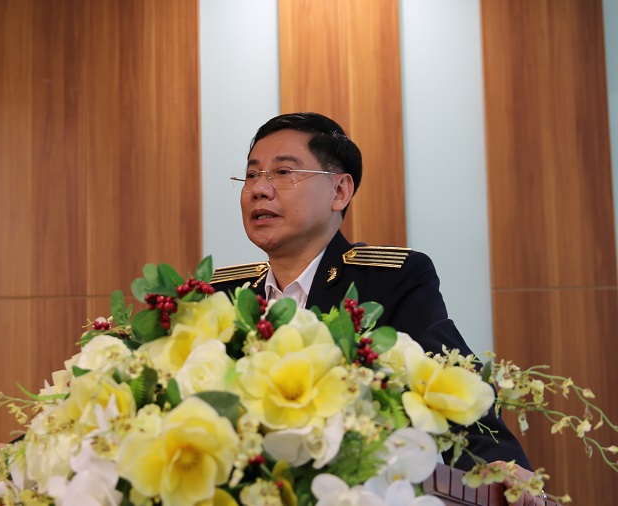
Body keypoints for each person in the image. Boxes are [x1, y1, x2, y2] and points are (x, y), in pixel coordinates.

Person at [210, 112, 543, 504]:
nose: (259, 190)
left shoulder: (390, 282)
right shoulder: (222, 296)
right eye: (252, 175)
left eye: (283, 172)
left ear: (340, 191)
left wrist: (497, 464)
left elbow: (450, 381)